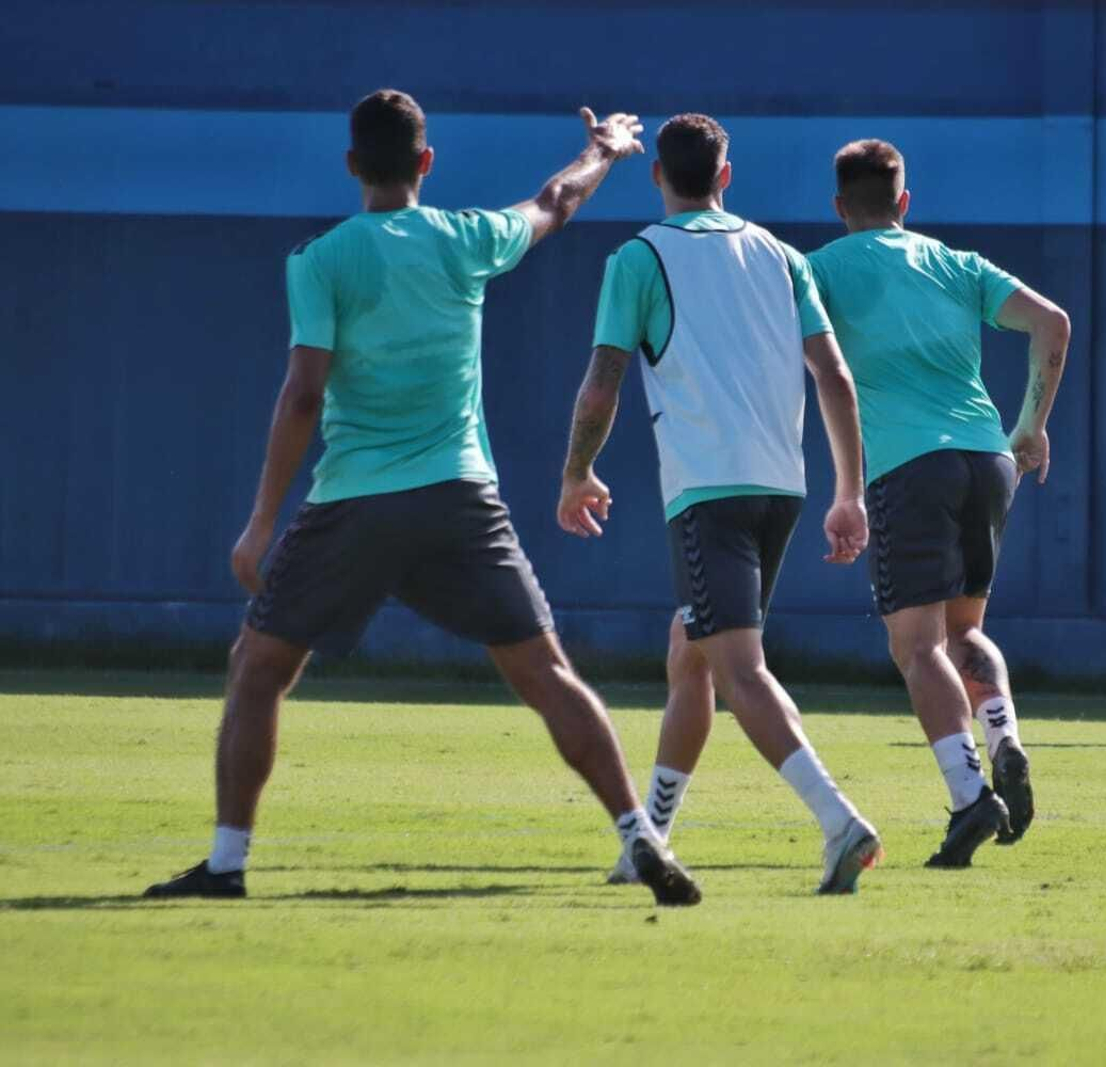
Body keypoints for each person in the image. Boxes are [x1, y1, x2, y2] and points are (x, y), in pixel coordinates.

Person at [144, 90, 700, 906]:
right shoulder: (464, 237)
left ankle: (226, 864)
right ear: (426, 163)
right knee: (547, 673)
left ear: (351, 165)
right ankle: (640, 835)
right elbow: (556, 201)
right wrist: (609, 150)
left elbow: (302, 395)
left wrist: (262, 520)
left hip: (355, 502)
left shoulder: (320, 259)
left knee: (257, 667)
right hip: (460, 497)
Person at [556, 113, 883, 895]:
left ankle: (839, 821)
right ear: (726, 176)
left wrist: (577, 471)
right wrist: (849, 491)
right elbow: (835, 377)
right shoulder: (781, 256)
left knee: (738, 667)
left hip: (710, 490)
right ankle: (652, 840)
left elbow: (603, 380)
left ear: (657, 177)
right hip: (783, 489)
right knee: (690, 648)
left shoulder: (638, 256)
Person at [806, 139, 1069, 866]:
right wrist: (1030, 428)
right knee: (966, 630)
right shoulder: (955, 262)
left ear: (838, 207)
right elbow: (1054, 323)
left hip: (906, 466)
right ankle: (1004, 737)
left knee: (916, 645)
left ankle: (968, 797)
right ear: (905, 202)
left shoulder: (821, 268)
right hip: (988, 458)